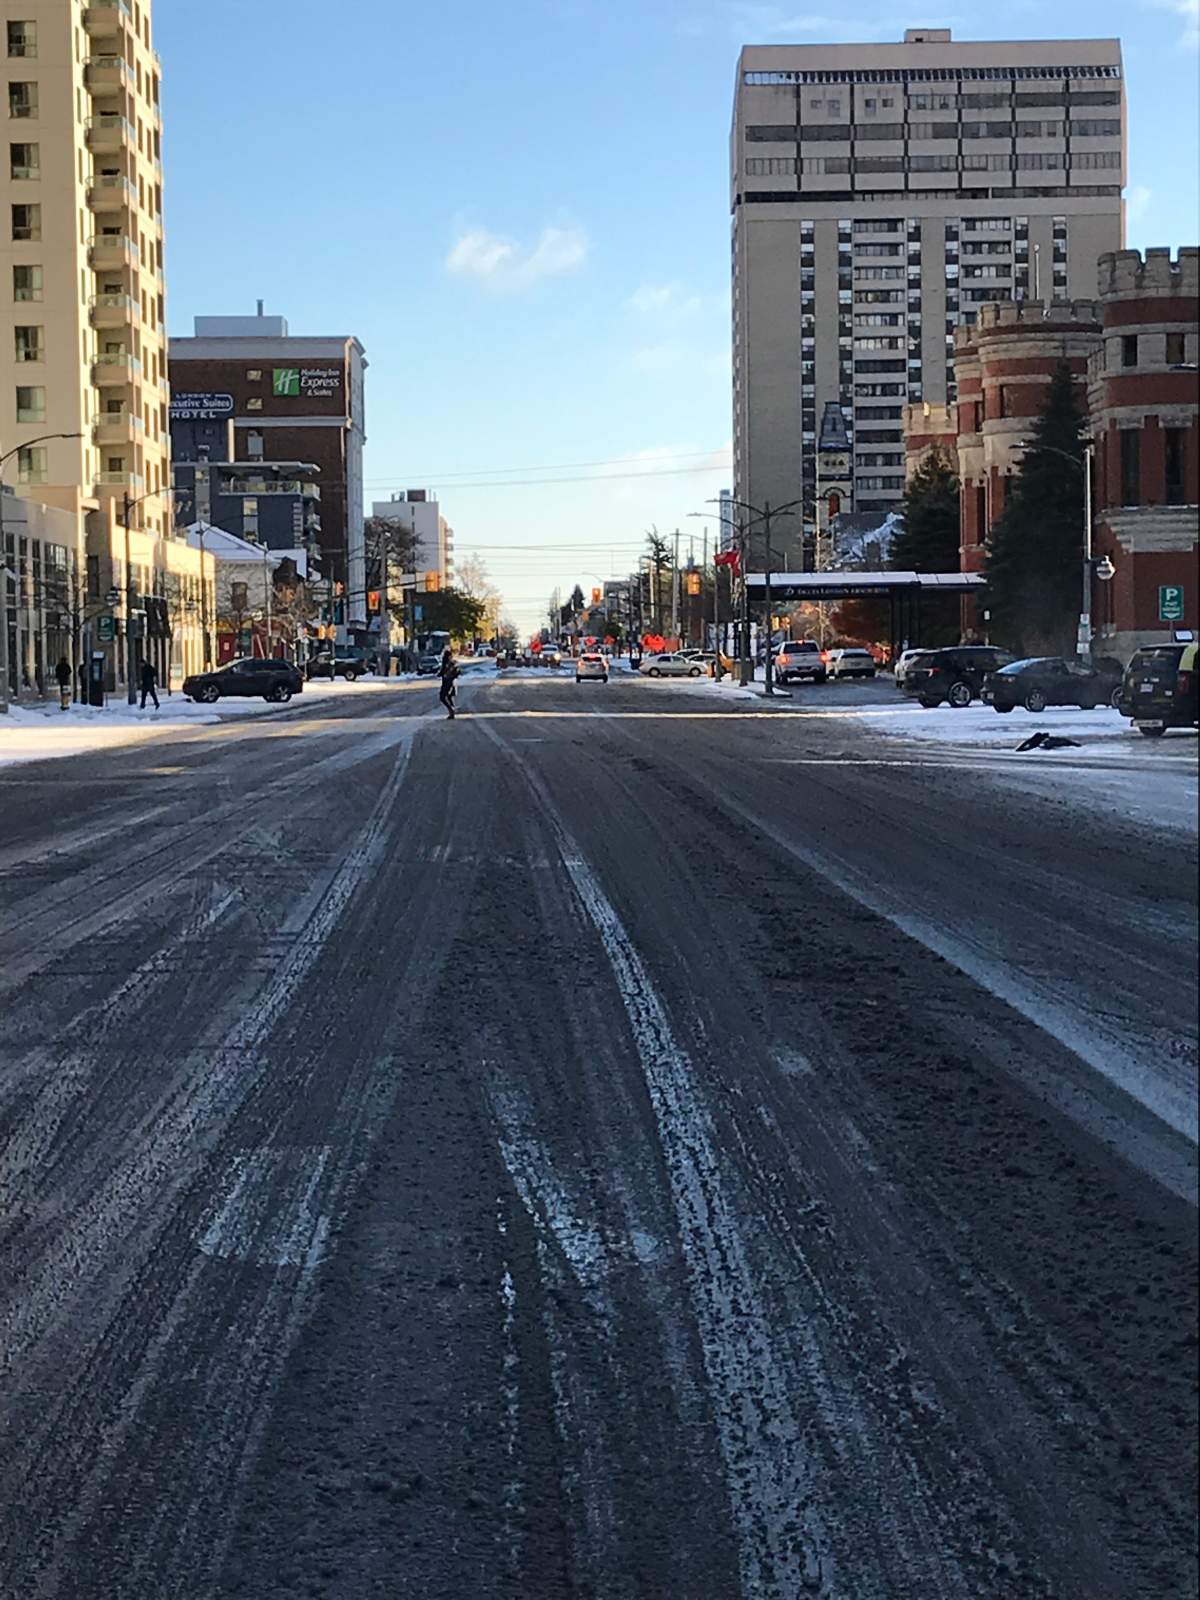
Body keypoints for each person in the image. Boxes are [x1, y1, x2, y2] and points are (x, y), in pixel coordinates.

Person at [438, 647, 459, 719]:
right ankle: (452, 711)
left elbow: (443, 672)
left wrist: (441, 674)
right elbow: (457, 672)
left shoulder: (447, 663)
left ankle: (451, 710)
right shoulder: (453, 663)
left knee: (443, 697)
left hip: (447, 682)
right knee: (449, 697)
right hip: (452, 682)